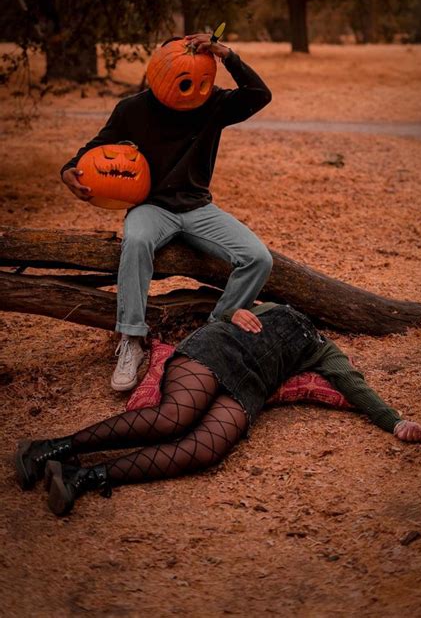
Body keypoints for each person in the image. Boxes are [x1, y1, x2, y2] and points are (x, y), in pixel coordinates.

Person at [15, 303, 421, 517]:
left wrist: (395, 421)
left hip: (249, 387)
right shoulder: (269, 305)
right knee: (175, 416)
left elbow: (354, 385)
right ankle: (50, 447)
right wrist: (235, 311)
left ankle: (81, 477)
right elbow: (220, 310)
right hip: (216, 350)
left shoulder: (323, 349)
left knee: (206, 449)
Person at [60, 33, 273, 391]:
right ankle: (132, 339)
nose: (189, 87)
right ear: (159, 69)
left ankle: (217, 326)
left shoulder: (214, 104)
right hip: (151, 206)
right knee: (138, 241)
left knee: (258, 258)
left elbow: (259, 95)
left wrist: (227, 55)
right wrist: (68, 170)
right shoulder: (132, 109)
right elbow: (94, 148)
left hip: (197, 206)